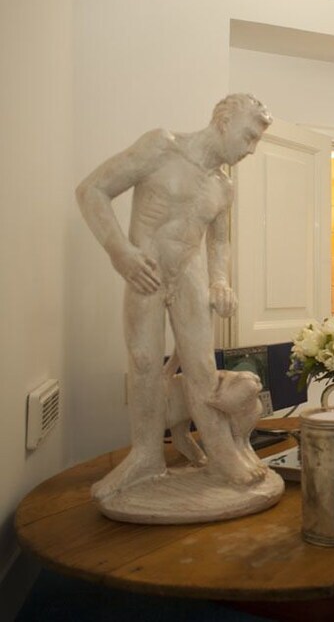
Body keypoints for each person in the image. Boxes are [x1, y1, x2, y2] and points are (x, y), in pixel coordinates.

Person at [77, 94, 273, 499]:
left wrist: (220, 281)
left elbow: (218, 242)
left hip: (189, 274)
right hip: (145, 269)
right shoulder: (161, 146)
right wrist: (120, 251)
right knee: (144, 362)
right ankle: (146, 455)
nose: (251, 149)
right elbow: (92, 190)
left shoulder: (224, 186)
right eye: (249, 136)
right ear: (224, 121)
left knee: (202, 367)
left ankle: (221, 453)